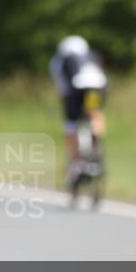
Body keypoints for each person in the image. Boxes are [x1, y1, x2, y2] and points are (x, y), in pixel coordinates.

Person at [49, 35, 108, 184]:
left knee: (72, 124)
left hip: (76, 91)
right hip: (97, 89)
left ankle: (76, 163)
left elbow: (63, 88)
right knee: (95, 113)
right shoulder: (92, 56)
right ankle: (96, 151)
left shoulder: (60, 60)